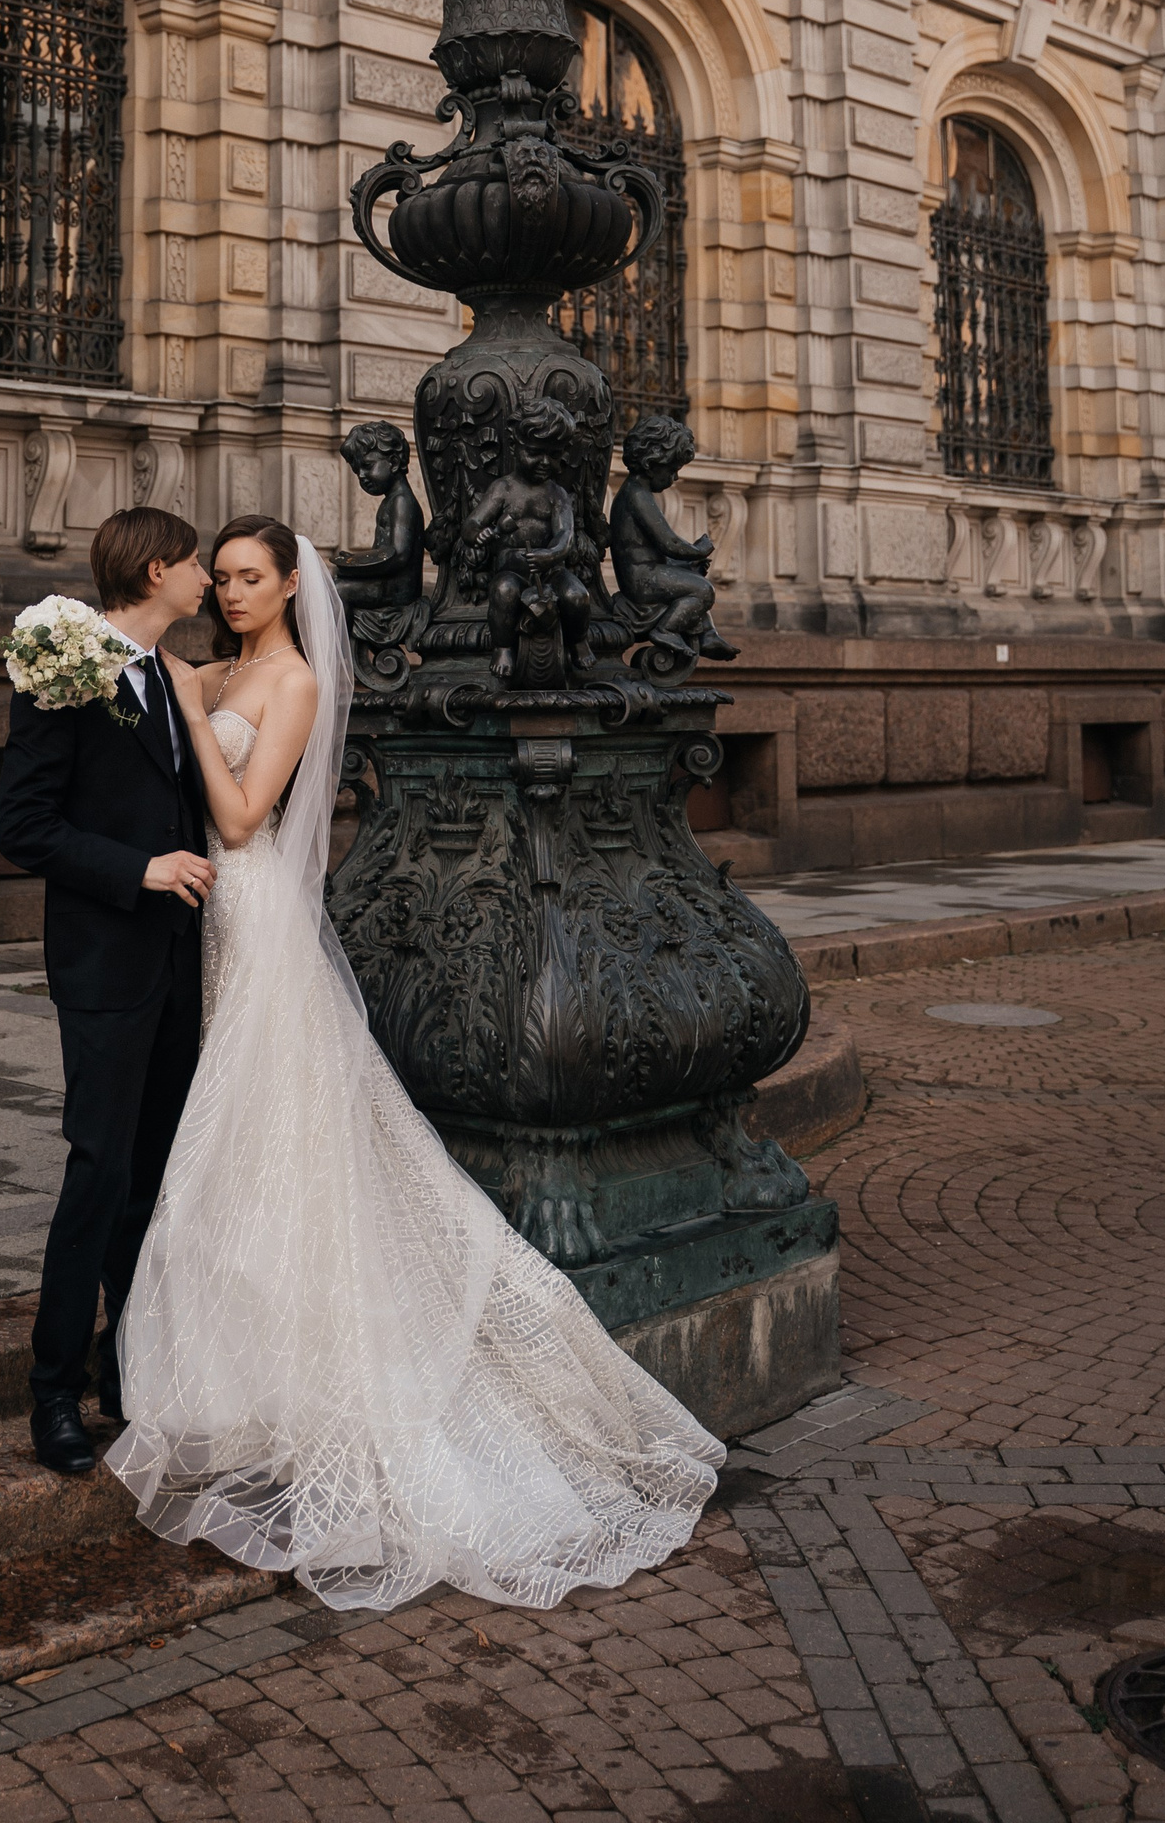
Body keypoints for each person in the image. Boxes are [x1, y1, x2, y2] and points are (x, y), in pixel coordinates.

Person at [104, 515, 723, 1612]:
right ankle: (240, 1361)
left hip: (255, 916)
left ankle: (317, 1373)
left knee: (269, 1127)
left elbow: (241, 819)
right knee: (239, 1133)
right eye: (224, 577)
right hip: (204, 922)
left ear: (291, 588)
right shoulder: (218, 666)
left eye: (251, 578)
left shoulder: (288, 682)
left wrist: (192, 711)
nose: (233, 593)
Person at [0, 504, 214, 1479]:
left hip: (178, 964)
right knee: (98, 1172)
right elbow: (24, 826)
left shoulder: (171, 674)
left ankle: (130, 1366)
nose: (206, 579)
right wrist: (140, 870)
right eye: (196, 564)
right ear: (158, 570)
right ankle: (54, 1389)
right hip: (104, 964)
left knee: (153, 1176)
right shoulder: (63, 666)